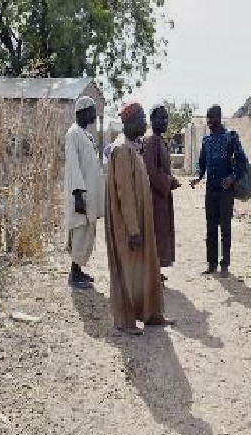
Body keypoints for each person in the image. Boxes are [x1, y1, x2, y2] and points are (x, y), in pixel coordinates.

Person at [105, 103, 173, 335]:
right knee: (129, 271)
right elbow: (125, 194)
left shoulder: (134, 147)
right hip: (128, 225)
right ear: (130, 121)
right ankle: (125, 321)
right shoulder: (122, 150)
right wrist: (133, 230)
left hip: (141, 221)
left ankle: (151, 314)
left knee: (147, 267)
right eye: (142, 119)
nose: (146, 124)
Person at [190, 105, 247, 277]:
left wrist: (232, 178)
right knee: (210, 228)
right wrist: (198, 177)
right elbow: (202, 162)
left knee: (225, 229)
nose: (208, 121)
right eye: (207, 118)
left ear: (219, 117)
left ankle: (225, 264)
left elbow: (241, 163)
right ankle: (211, 263)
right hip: (210, 190)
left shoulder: (230, 137)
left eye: (211, 117)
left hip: (225, 192)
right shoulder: (206, 140)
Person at [64, 96, 105, 289]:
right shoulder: (73, 134)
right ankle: (74, 275)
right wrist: (78, 195)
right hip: (80, 196)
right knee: (80, 232)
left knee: (87, 232)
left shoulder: (85, 134)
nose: (95, 115)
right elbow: (73, 167)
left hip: (90, 195)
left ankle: (79, 270)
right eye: (92, 110)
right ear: (82, 112)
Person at [142, 105, 180, 278]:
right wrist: (168, 182)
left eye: (166, 118)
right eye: (161, 118)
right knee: (155, 232)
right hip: (154, 196)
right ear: (152, 119)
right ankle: (151, 271)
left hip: (161, 196)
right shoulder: (151, 140)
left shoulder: (158, 139)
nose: (164, 121)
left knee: (161, 232)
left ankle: (155, 269)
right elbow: (151, 171)